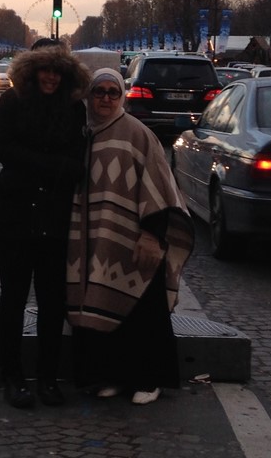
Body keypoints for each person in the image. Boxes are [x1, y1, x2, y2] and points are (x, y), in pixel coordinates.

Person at [66, 67, 195, 405]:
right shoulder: (84, 132)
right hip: (96, 237)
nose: (106, 98)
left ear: (122, 95)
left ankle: (149, 378)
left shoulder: (137, 133)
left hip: (134, 235)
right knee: (103, 302)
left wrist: (152, 235)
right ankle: (114, 375)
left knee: (142, 310)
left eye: (113, 92)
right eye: (99, 92)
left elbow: (159, 186)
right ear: (89, 96)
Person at [0, 38, 90, 408]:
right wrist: (55, 165)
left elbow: (77, 162)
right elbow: (2, 151)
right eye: (45, 69)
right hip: (14, 217)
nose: (51, 77)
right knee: (13, 298)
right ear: (32, 71)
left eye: (57, 71)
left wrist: (35, 162)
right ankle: (12, 377)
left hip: (53, 215)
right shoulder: (11, 101)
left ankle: (47, 378)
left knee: (52, 301)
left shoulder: (74, 108)